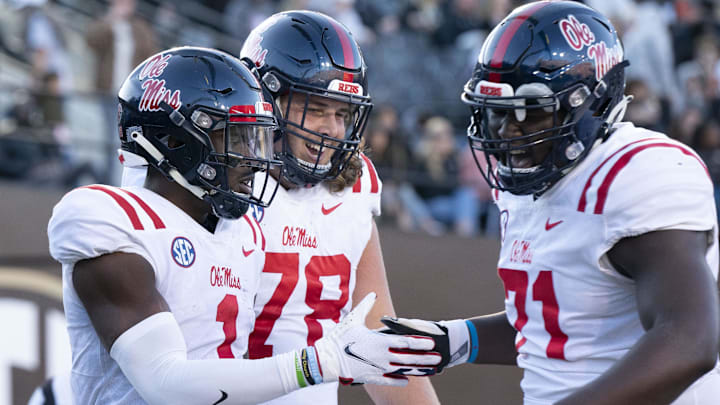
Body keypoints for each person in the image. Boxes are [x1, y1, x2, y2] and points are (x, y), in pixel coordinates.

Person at [47, 46, 438, 405]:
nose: (254, 160)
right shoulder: (108, 219)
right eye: (236, 139)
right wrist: (317, 363)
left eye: (257, 139)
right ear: (176, 140)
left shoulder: (242, 231)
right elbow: (165, 382)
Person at [381, 2, 720, 404]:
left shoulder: (638, 173)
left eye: (532, 113)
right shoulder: (530, 179)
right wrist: (453, 340)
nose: (509, 133)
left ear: (591, 104)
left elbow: (690, 340)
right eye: (499, 114)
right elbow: (558, 325)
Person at [237, 11, 440, 404]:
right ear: (267, 100)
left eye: (342, 113)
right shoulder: (222, 184)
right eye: (315, 108)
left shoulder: (353, 187)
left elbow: (375, 334)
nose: (331, 128)